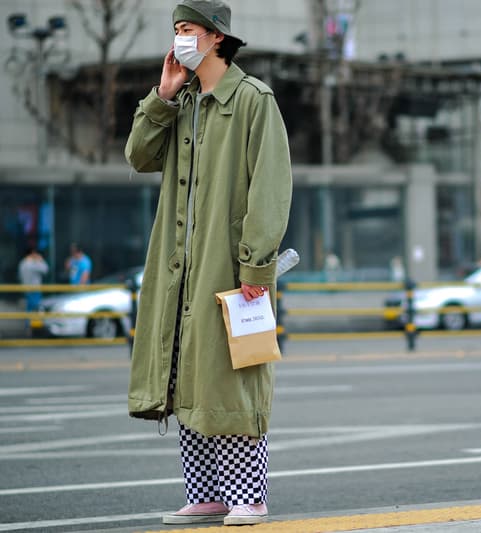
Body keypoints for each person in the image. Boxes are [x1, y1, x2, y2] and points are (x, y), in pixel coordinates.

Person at [124, 0, 292, 526]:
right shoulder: (183, 101)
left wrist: (255, 267)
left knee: (234, 373)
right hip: (180, 269)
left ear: (217, 36)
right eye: (176, 30)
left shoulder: (252, 99)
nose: (180, 39)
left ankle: (248, 495)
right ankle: (206, 493)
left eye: (189, 29)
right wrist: (163, 95)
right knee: (186, 370)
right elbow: (139, 157)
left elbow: (270, 186)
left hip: (231, 266)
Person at [18, 248, 49, 313]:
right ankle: (33, 323)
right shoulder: (32, 263)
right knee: (35, 308)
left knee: (29, 308)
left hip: (26, 288)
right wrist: (40, 260)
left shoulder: (22, 263)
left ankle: (28, 322)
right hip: (34, 289)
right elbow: (45, 269)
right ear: (32, 254)